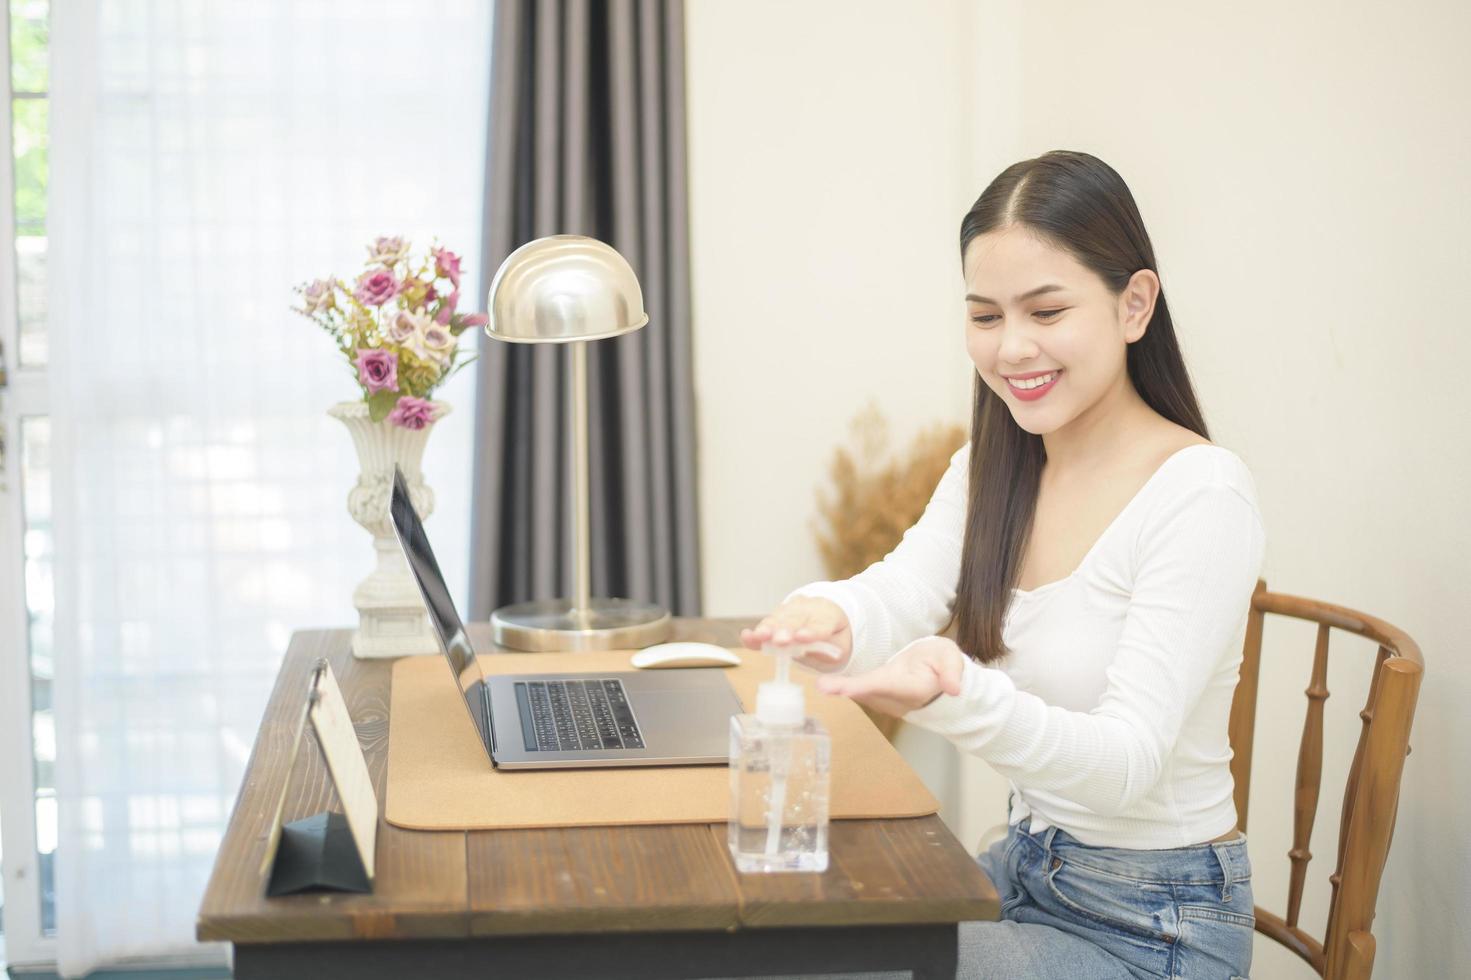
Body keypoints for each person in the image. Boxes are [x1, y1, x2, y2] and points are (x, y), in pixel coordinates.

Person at [741, 150, 1265, 980]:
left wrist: (957, 692)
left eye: (1046, 310)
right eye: (984, 317)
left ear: (1134, 305)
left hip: (1152, 930)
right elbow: (904, 588)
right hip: (1025, 872)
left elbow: (1125, 769)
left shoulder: (1200, 494)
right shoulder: (996, 464)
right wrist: (831, 616)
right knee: (799, 941)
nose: (1012, 348)